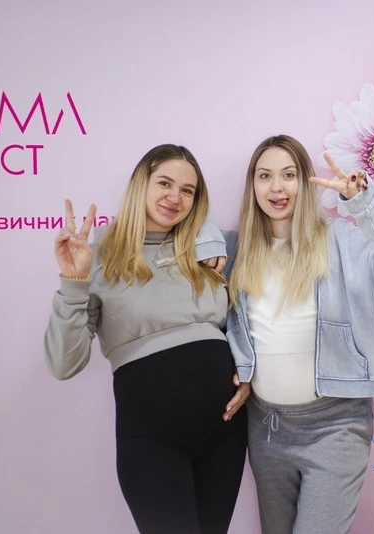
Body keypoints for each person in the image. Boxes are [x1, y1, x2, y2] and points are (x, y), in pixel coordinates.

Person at [224, 134, 374, 534]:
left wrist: (366, 206)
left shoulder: (343, 241)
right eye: (265, 176)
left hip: (336, 427)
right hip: (267, 427)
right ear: (253, 185)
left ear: (306, 181)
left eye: (288, 175)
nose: (276, 187)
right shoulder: (237, 250)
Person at [44, 144, 249, 534]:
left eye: (187, 190)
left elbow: (254, 314)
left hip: (224, 434)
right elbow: (63, 364)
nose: (175, 197)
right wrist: (73, 282)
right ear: (141, 183)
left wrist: (250, 373)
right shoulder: (97, 254)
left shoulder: (212, 250)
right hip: (153, 442)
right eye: (165, 183)